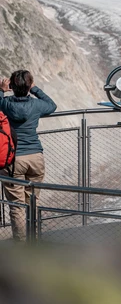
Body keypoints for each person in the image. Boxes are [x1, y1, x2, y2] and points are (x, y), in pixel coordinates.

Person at [0, 70, 56, 241]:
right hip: (36, 157)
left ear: (12, 86)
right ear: (28, 86)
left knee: (17, 206)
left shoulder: (6, 104)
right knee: (33, 201)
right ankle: (35, 239)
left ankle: (23, 247)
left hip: (13, 159)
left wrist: (1, 89)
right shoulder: (36, 105)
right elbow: (52, 105)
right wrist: (35, 89)